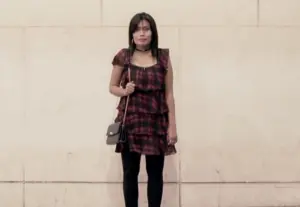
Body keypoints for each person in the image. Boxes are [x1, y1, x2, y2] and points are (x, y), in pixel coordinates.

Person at [109, 12, 178, 207]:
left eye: (146, 29)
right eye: (137, 30)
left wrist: (172, 126)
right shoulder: (124, 56)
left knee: (155, 172)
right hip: (131, 122)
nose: (142, 33)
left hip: (156, 123)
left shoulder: (163, 57)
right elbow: (112, 87)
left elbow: (169, 94)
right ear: (131, 34)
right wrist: (124, 90)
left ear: (153, 32)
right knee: (130, 172)